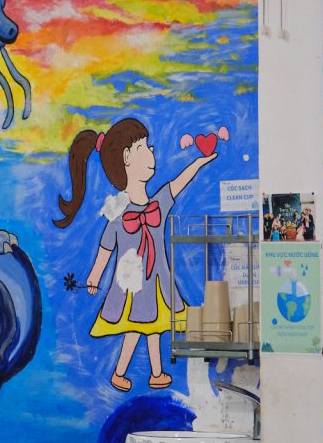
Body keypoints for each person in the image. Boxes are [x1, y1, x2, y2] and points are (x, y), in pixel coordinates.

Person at [54, 118, 216, 392]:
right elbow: (106, 247)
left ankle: (153, 373)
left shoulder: (158, 204)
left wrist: (199, 162)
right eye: (144, 146)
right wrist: (94, 275)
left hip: (157, 281)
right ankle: (126, 372)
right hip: (132, 284)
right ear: (127, 157)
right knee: (138, 327)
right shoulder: (117, 212)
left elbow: (178, 183)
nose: (152, 152)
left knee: (152, 326)